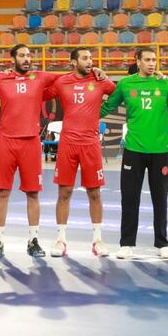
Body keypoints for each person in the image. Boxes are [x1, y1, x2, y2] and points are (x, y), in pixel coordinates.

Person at [100, 48, 168, 260]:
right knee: (130, 198)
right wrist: (82, 114)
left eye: (154, 60)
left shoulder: (165, 84)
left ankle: (162, 244)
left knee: (160, 199)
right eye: (147, 60)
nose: (152, 63)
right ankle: (126, 244)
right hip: (133, 150)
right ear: (138, 61)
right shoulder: (126, 84)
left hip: (160, 151)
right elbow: (107, 107)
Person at [0, 44, 65, 258]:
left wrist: (94, 72)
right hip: (6, 142)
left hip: (31, 143)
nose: (27, 59)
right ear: (13, 59)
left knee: (33, 193)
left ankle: (33, 240)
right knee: (3, 192)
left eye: (29, 55)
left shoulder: (40, 77)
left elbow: (69, 77)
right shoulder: (0, 78)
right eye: (22, 56)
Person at [46, 47, 116, 257]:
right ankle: (60, 240)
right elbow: (36, 93)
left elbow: (123, 91)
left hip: (90, 144)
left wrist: (106, 74)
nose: (90, 62)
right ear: (73, 62)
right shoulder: (61, 82)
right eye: (85, 58)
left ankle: (97, 240)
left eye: (91, 58)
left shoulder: (100, 81)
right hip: (67, 143)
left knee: (94, 193)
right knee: (64, 193)